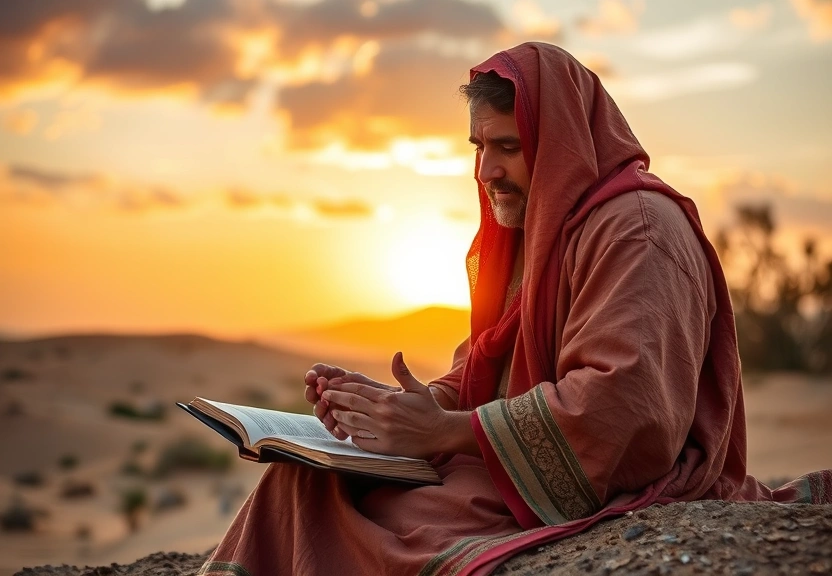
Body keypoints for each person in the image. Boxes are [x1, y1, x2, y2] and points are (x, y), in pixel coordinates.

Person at [199, 42, 830, 576]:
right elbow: (488, 371)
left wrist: (446, 433)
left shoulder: (637, 231)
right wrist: (395, 410)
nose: (486, 171)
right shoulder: (540, 228)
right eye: (478, 147)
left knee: (394, 529)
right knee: (304, 479)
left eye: (506, 147)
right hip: (505, 463)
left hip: (611, 479)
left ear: (561, 144)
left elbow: (623, 413)